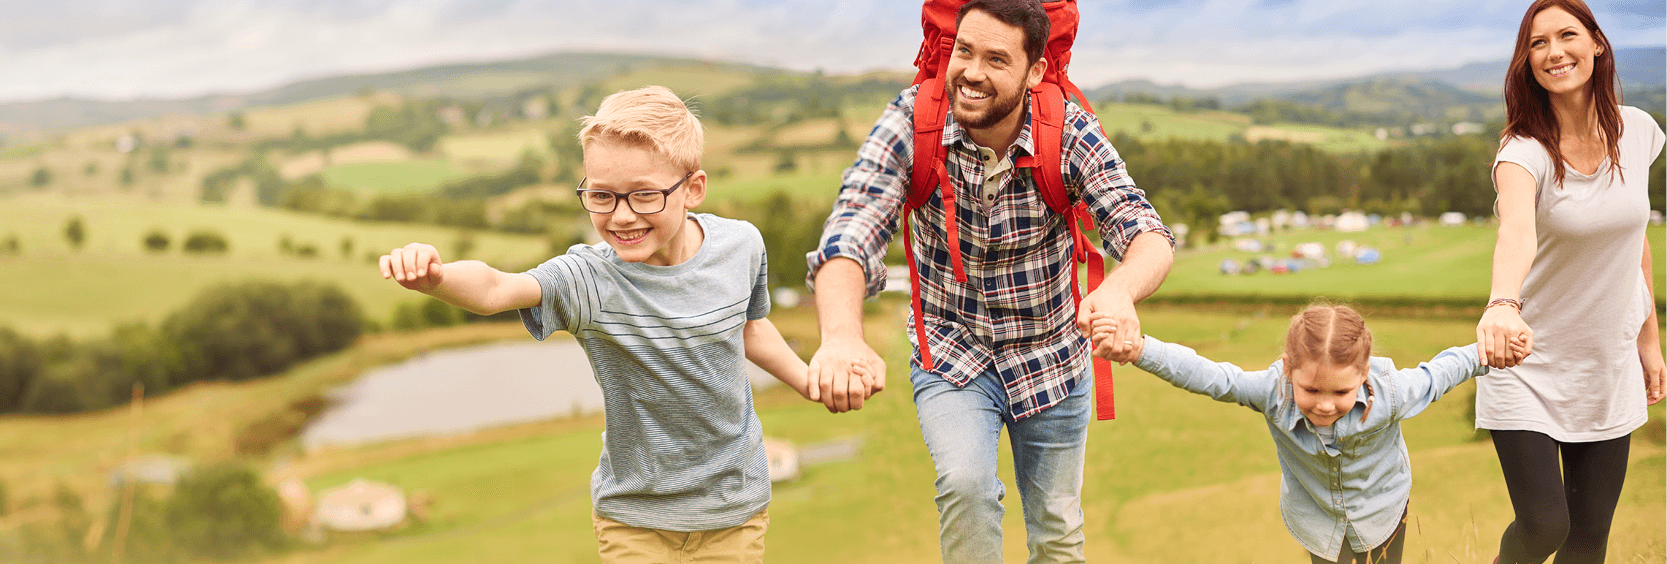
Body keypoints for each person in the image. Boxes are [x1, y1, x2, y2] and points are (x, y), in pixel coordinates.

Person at [378, 85, 819, 563]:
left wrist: (807, 380)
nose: (621, 215)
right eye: (601, 196)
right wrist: (436, 276)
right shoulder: (589, 277)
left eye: (644, 195)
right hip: (635, 519)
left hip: (735, 510)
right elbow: (495, 289)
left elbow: (750, 327)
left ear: (693, 188)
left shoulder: (741, 246)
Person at [804, 0, 1174, 560]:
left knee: (1056, 528)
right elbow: (851, 230)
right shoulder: (912, 121)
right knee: (965, 487)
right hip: (952, 353)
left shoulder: (1068, 131)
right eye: (964, 50)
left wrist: (1119, 291)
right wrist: (839, 336)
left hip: (1052, 356)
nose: (972, 72)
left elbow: (1144, 229)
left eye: (996, 59)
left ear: (1035, 72)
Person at [1473, 1, 1667, 562]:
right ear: (1525, 61)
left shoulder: (1639, 131)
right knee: (1543, 527)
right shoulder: (1522, 153)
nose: (1554, 51)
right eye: (1538, 43)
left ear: (1597, 43)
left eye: (1567, 35)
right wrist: (1503, 303)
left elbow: (1634, 240)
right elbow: (1516, 233)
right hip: (1525, 359)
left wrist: (1648, 341)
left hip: (1607, 363)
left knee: (1588, 542)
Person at [1096, 304, 1513, 564]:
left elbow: (1440, 373)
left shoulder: (1393, 394)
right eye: (1311, 389)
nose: (1325, 404)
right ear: (1287, 369)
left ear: (1363, 375)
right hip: (1315, 518)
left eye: (1341, 391)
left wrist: (1486, 352)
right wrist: (1140, 350)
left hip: (1384, 510)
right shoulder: (1271, 393)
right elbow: (1211, 376)